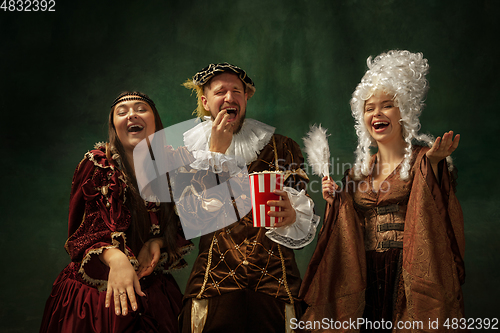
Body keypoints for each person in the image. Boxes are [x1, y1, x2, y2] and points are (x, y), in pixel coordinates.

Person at [299, 50, 465, 332]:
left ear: (404, 111)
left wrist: (434, 164)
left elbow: (438, 209)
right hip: (363, 276)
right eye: (369, 108)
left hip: (409, 276)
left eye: (387, 105)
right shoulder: (357, 173)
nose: (376, 113)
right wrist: (336, 202)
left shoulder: (423, 159)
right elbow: (344, 233)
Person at [177, 62, 320, 333]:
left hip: (275, 286)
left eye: (236, 91)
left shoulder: (283, 147)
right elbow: (192, 219)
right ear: (206, 102)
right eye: (221, 92)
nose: (230, 97)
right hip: (213, 286)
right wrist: (215, 156)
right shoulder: (189, 153)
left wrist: (293, 216)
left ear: (246, 98)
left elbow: (301, 220)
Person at [40, 91, 193, 333]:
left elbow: (187, 220)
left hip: (154, 295)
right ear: (114, 125)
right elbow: (80, 232)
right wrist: (115, 257)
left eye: (141, 109)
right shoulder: (98, 166)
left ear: (156, 122)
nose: (132, 114)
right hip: (96, 300)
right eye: (122, 112)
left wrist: (159, 242)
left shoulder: (172, 167)